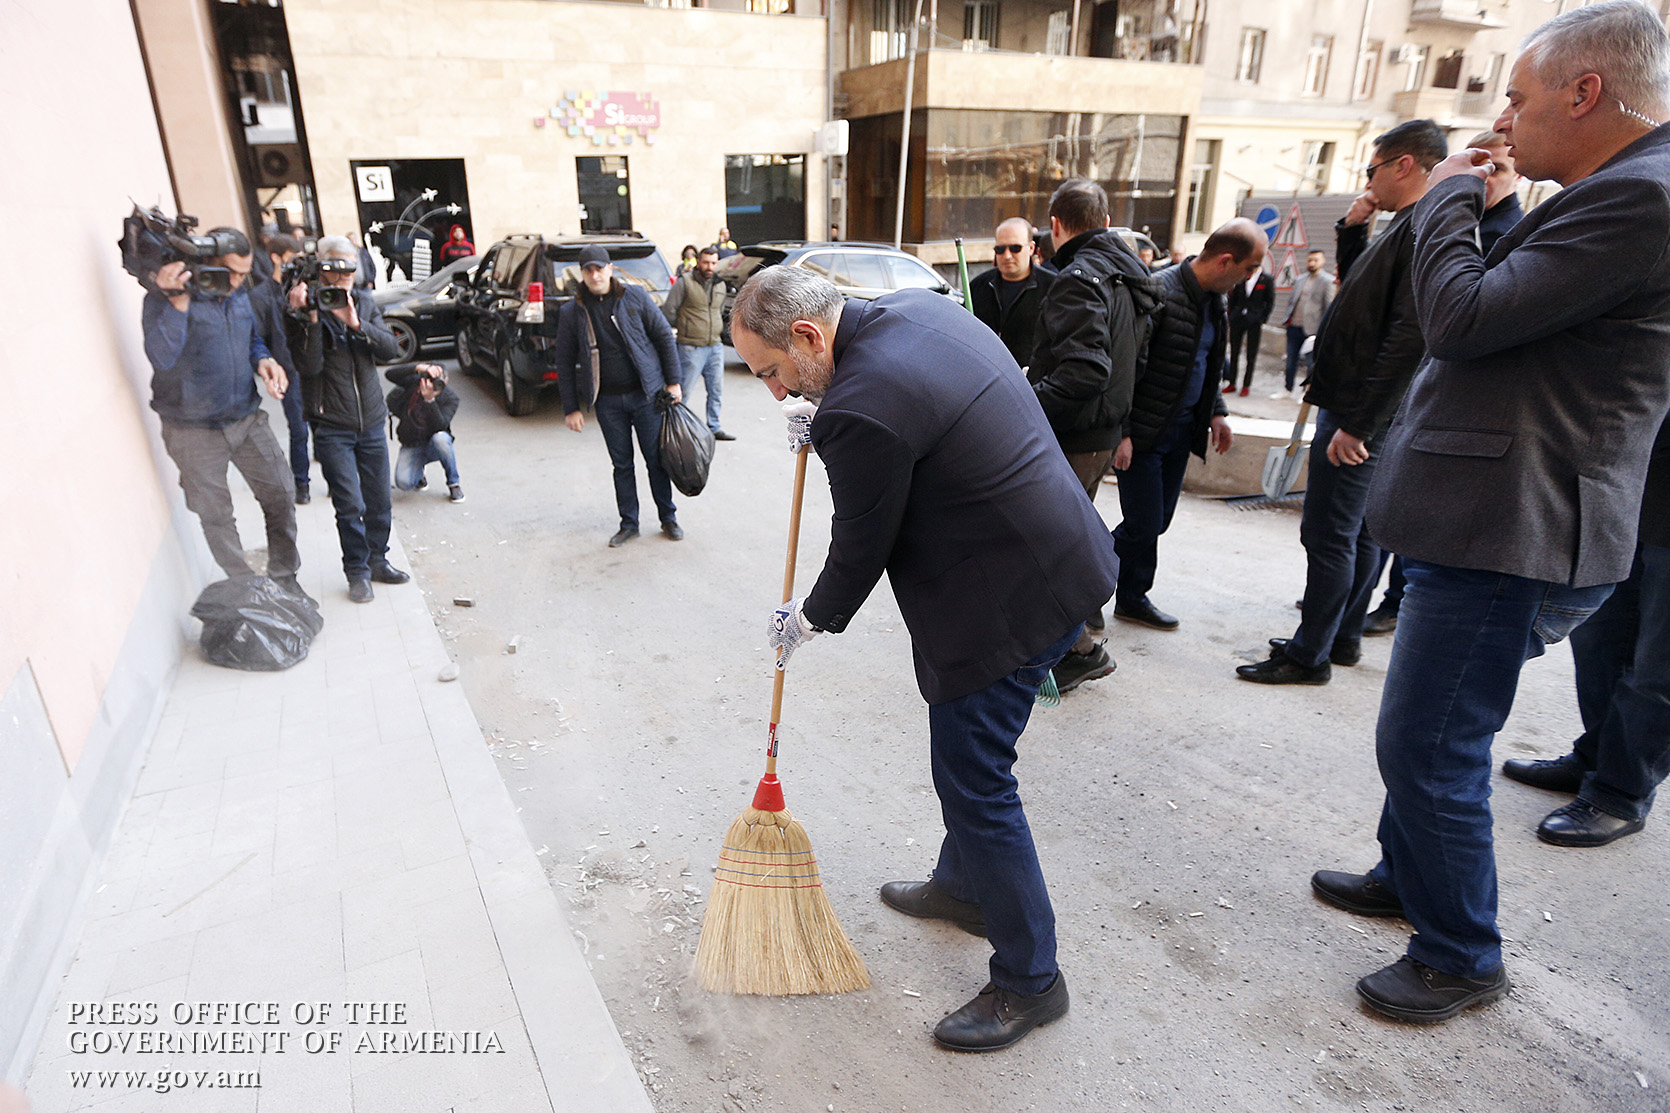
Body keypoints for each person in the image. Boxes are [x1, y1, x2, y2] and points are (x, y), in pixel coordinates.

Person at [1312, 0, 1670, 1024]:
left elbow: (1461, 317)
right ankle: (1409, 874)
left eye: (1516, 96)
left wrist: (1446, 202)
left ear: (1585, 91)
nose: (1502, 119)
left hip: (1512, 525)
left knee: (1428, 744)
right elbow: (1517, 311)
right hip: (1489, 516)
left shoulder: (1641, 197)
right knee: (1430, 731)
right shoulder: (1614, 189)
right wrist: (1485, 212)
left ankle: (1459, 952)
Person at [731, 265, 1119, 1053]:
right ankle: (964, 887)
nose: (775, 393)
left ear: (807, 335)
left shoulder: (859, 408)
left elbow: (860, 545)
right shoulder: (914, 311)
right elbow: (909, 418)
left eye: (772, 372)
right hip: (1059, 554)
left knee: (976, 780)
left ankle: (1031, 979)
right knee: (968, 766)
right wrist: (826, 412)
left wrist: (808, 619)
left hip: (1007, 604)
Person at [1238, 119, 1446, 686]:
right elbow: (1364, 296)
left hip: (1361, 414)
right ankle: (1341, 637)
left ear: (1404, 165)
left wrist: (1359, 424)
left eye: (1372, 169)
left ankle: (1310, 655)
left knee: (1329, 535)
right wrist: (1353, 232)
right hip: (1363, 410)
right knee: (1357, 534)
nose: (1368, 180)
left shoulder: (1422, 229)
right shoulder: (1406, 226)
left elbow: (1406, 339)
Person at [1362, 128, 1526, 638]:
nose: (1484, 179)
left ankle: (1392, 601)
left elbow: (1436, 325)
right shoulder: (1448, 222)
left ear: (1518, 175)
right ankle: (1373, 601)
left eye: (1497, 169)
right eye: (1476, 167)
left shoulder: (1507, 235)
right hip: (1424, 407)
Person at [1501, 422, 1670, 846]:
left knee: (1658, 670)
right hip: (1635, 479)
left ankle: (1621, 793)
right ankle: (1597, 756)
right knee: (1599, 637)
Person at [1027, 179, 1164, 690]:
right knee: (1068, 536)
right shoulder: (1129, 273)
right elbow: (1137, 362)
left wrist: (1026, 401)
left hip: (1076, 435)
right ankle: (1083, 626)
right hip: (1102, 432)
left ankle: (1079, 649)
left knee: (1048, 549)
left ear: (1055, 225)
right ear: (1105, 223)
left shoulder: (1078, 278)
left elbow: (1086, 371)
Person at [1111, 220, 1262, 630]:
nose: (1250, 277)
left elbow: (1208, 363)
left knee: (1156, 522)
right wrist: (1123, 432)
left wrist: (1217, 412)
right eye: (1249, 268)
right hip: (1143, 435)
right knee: (1143, 524)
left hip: (1181, 433)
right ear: (1226, 261)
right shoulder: (1158, 291)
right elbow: (1126, 367)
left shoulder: (1216, 300)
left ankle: (1130, 597)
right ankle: (1079, 577)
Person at [140, 229, 301, 590]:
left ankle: (284, 577)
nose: (238, 282)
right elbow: (161, 358)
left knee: (281, 494)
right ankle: (245, 589)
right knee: (216, 516)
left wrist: (263, 359)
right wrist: (177, 304)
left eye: (245, 274)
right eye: (231, 273)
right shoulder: (165, 295)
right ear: (206, 264)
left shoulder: (238, 292)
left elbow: (251, 338)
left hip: (246, 417)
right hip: (192, 432)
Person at [285, 234, 407, 603]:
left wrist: (356, 323)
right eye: (334, 270)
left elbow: (391, 349)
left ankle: (378, 561)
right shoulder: (306, 307)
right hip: (332, 425)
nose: (343, 279)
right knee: (350, 504)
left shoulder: (365, 303)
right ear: (320, 270)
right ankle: (357, 571)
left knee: (379, 501)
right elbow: (308, 366)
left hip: (371, 421)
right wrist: (310, 318)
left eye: (349, 270)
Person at [554, 245, 686, 547]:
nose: (595, 275)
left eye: (599, 268)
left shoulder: (634, 297)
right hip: (608, 402)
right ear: (582, 274)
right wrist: (571, 408)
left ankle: (668, 518)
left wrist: (673, 382)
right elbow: (564, 362)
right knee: (622, 465)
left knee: (656, 460)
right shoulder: (572, 311)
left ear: (610, 269)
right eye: (588, 270)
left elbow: (663, 336)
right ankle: (629, 524)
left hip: (646, 396)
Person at [249, 233, 312, 504]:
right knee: (299, 429)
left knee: (324, 427)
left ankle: (334, 481)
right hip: (289, 370)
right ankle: (302, 483)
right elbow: (257, 337)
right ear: (275, 258)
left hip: (313, 365)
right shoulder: (261, 295)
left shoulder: (303, 287)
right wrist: (271, 365)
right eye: (291, 257)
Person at [662, 245, 733, 440]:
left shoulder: (720, 284)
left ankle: (714, 426)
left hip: (715, 346)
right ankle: (676, 428)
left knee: (716, 390)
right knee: (682, 391)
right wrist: (686, 326)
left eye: (713, 263)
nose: (709, 267)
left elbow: (719, 311)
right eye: (706, 262)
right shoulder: (684, 282)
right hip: (690, 347)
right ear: (698, 262)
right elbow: (669, 311)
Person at [968, 217, 1055, 370]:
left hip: (1032, 378)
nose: (1007, 256)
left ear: (1031, 248)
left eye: (1015, 248)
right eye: (1000, 249)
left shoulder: (1052, 287)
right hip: (985, 373)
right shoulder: (978, 286)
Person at [386, 362, 464, 502]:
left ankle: (454, 483)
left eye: (438, 379)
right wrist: (418, 368)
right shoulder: (414, 384)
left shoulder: (451, 398)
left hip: (434, 444)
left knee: (441, 439)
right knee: (403, 483)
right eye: (430, 379)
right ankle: (418, 473)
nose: (433, 384)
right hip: (412, 443)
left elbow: (440, 426)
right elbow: (390, 374)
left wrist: (430, 400)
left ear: (446, 380)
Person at [1278, 249, 1333, 395]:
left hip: (1313, 330)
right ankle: (1287, 388)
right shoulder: (1300, 279)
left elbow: (1328, 307)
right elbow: (1291, 302)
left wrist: (1322, 330)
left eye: (1316, 260)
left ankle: (1306, 393)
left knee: (1310, 363)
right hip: (1294, 326)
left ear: (1323, 261)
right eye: (1310, 260)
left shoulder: (1327, 281)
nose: (1312, 263)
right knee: (1290, 360)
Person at [1223, 262, 1274, 397]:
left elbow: (1270, 300)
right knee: (1234, 351)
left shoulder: (1266, 280)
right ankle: (1232, 382)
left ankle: (1246, 385)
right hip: (1238, 318)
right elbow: (1233, 298)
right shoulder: (1242, 277)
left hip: (1254, 320)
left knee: (1251, 353)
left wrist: (1262, 318)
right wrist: (1232, 314)